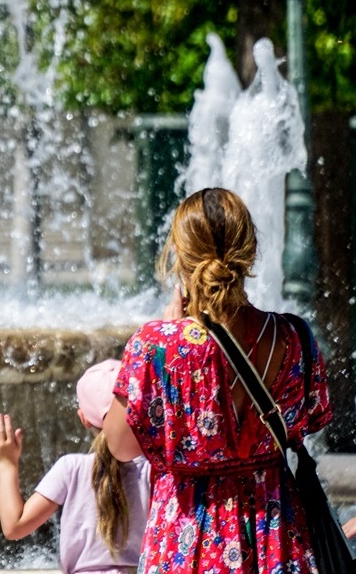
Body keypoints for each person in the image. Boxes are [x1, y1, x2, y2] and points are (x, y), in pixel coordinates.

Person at [103, 187, 333, 572]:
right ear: (250, 249)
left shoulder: (157, 345)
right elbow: (313, 418)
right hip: (276, 537)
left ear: (180, 255)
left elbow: (121, 445)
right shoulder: (296, 337)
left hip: (186, 538)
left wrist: (171, 337)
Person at [0, 359, 151, 574]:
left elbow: (14, 527)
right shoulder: (154, 469)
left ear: (83, 418)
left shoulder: (71, 468)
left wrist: (7, 463)